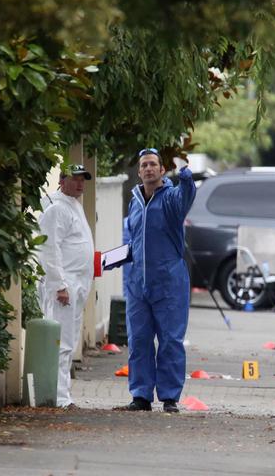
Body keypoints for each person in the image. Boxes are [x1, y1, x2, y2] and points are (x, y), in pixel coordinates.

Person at [119, 148, 196, 413]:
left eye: (154, 164)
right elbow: (131, 237)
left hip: (169, 283)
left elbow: (187, 196)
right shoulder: (135, 202)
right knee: (138, 340)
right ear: (139, 172)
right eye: (144, 165)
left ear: (162, 171)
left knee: (170, 340)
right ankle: (140, 395)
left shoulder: (172, 198)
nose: (149, 168)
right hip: (138, 284)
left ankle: (170, 397)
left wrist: (185, 173)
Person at [37, 164, 94, 408]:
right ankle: (59, 397)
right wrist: (59, 285)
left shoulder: (73, 205)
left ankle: (63, 394)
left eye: (83, 179)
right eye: (75, 179)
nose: (80, 184)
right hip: (66, 285)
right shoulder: (57, 208)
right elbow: (49, 249)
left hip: (76, 283)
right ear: (62, 180)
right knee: (62, 341)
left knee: (69, 341)